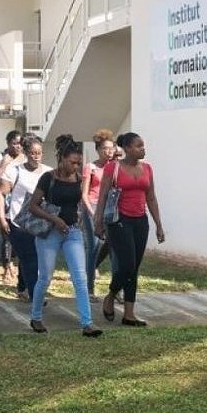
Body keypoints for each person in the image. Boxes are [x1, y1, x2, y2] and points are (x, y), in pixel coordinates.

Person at [28, 135, 103, 337]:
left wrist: (77, 216)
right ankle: (35, 317)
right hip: (49, 233)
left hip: (72, 232)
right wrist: (54, 219)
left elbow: (79, 201)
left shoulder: (79, 179)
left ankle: (87, 323)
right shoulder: (49, 178)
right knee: (45, 277)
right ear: (62, 159)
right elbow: (33, 206)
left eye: (79, 163)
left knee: (80, 276)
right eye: (73, 162)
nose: (76, 166)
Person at [94, 132, 166, 326]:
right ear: (126, 149)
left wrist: (158, 224)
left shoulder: (147, 169)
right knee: (127, 265)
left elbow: (151, 197)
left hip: (140, 221)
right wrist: (98, 221)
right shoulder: (113, 168)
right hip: (119, 220)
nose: (143, 149)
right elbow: (102, 196)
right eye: (138, 146)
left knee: (134, 268)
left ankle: (129, 314)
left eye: (143, 145)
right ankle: (110, 295)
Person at [0, 135, 51, 302]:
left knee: (34, 258)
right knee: (30, 258)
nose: (36, 156)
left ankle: (22, 287)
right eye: (32, 153)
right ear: (26, 153)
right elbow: (0, 193)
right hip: (18, 222)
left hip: (40, 222)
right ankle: (36, 295)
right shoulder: (15, 171)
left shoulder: (48, 172)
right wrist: (1, 218)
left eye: (39, 153)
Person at [81, 128, 117, 301]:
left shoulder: (116, 167)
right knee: (93, 248)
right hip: (93, 208)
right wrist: (93, 213)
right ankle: (89, 289)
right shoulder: (91, 167)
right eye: (105, 149)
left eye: (112, 148)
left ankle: (116, 289)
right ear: (98, 149)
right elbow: (84, 194)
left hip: (110, 209)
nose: (109, 151)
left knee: (113, 248)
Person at [0, 130, 24, 285]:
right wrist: (4, 164)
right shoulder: (1, 157)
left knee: (20, 237)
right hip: (4, 202)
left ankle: (19, 268)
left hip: (20, 204)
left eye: (20, 143)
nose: (17, 147)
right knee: (7, 236)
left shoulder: (25, 159)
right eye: (14, 143)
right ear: (8, 144)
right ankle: (6, 267)